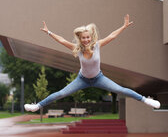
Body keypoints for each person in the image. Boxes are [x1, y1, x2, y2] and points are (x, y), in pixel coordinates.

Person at [24, 15, 160, 112]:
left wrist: (123, 27)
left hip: (99, 78)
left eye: (88, 37)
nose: (86, 40)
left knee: (120, 90)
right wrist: (49, 32)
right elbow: (62, 40)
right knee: (61, 93)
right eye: (83, 38)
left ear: (91, 37)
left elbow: (111, 36)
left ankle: (146, 100)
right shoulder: (76, 48)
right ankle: (37, 106)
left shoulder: (97, 45)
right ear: (80, 38)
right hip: (82, 79)